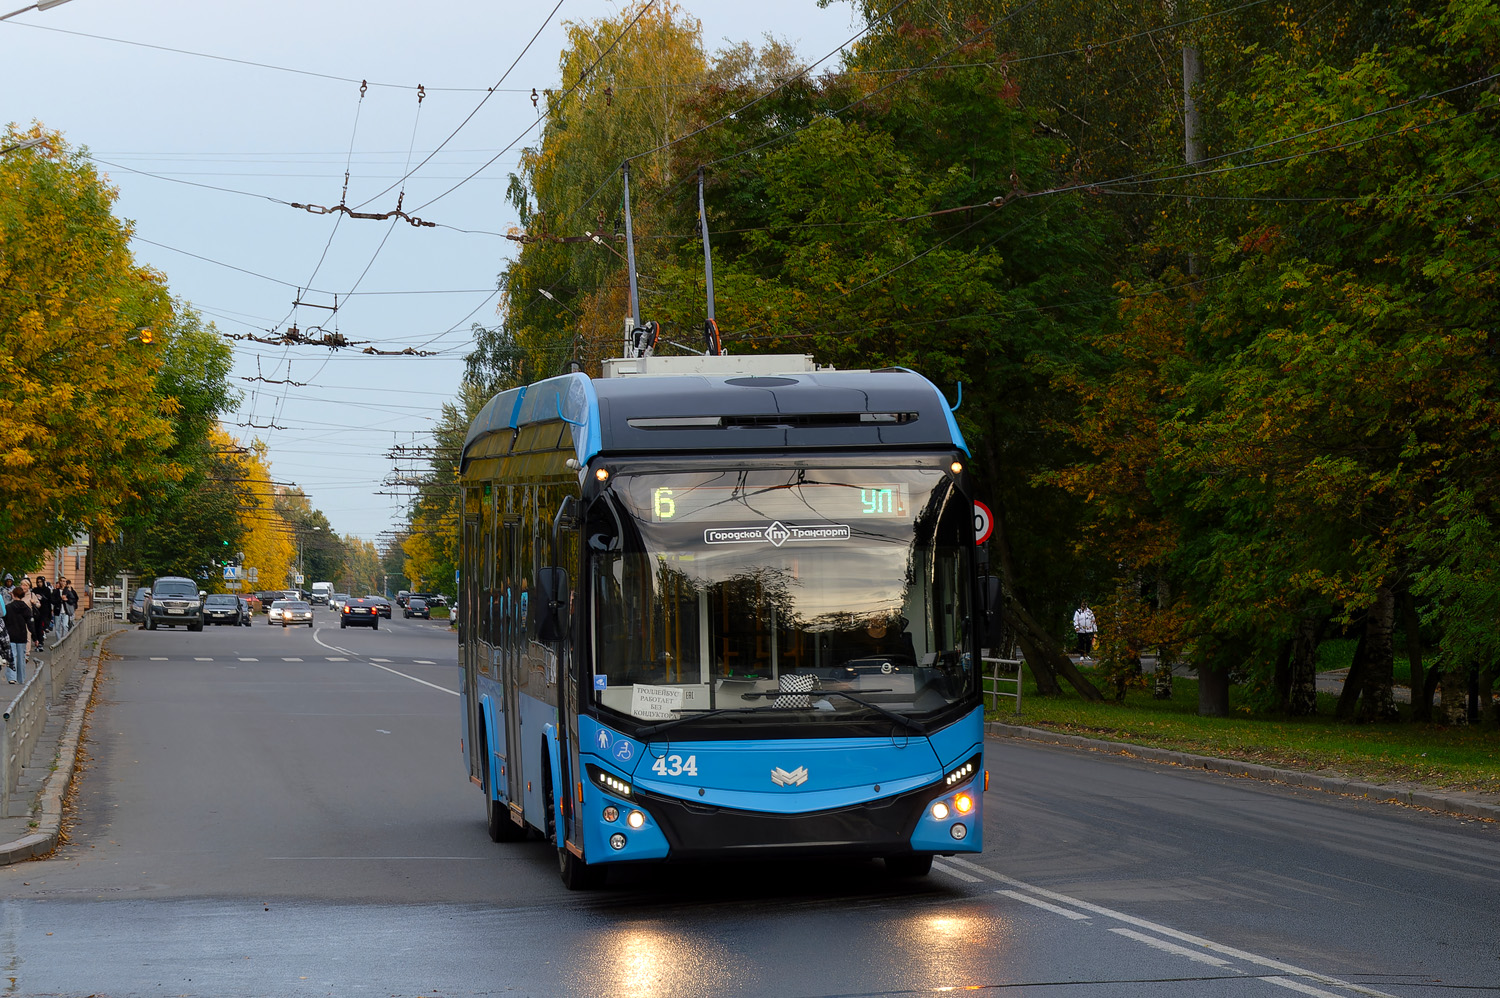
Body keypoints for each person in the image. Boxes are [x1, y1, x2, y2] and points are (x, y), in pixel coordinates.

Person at [5, 585, 31, 685]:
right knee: (21, 657)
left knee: (12, 656)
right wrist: (36, 637)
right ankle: (21, 678)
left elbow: (4, 620)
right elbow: (30, 622)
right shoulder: (26, 608)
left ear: (13, 595)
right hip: (22, 634)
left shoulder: (8, 607)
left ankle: (12, 677)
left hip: (10, 634)